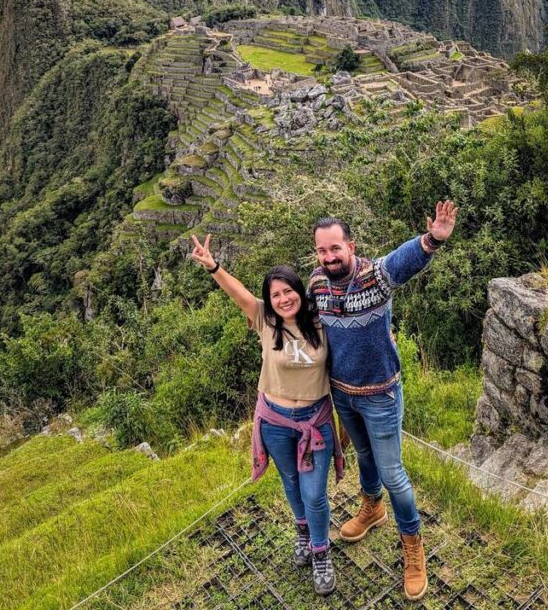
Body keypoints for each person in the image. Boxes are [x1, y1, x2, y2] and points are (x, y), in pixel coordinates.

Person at [308, 200, 458, 602]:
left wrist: (433, 239)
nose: (328, 257)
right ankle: (372, 508)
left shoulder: (375, 276)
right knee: (365, 458)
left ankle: (413, 547)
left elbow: (405, 259)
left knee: (394, 474)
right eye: (322, 251)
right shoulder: (317, 284)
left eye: (335, 249)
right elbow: (305, 324)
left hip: (380, 395)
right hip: (342, 393)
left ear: (350, 247)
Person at [189, 233, 344, 597]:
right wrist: (212, 265)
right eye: (275, 294)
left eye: (288, 291)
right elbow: (238, 292)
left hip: (315, 422)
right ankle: (303, 531)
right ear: (269, 300)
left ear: (298, 291)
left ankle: (321, 551)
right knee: (290, 482)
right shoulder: (263, 319)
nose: (283, 299)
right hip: (274, 421)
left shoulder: (320, 320)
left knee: (315, 493)